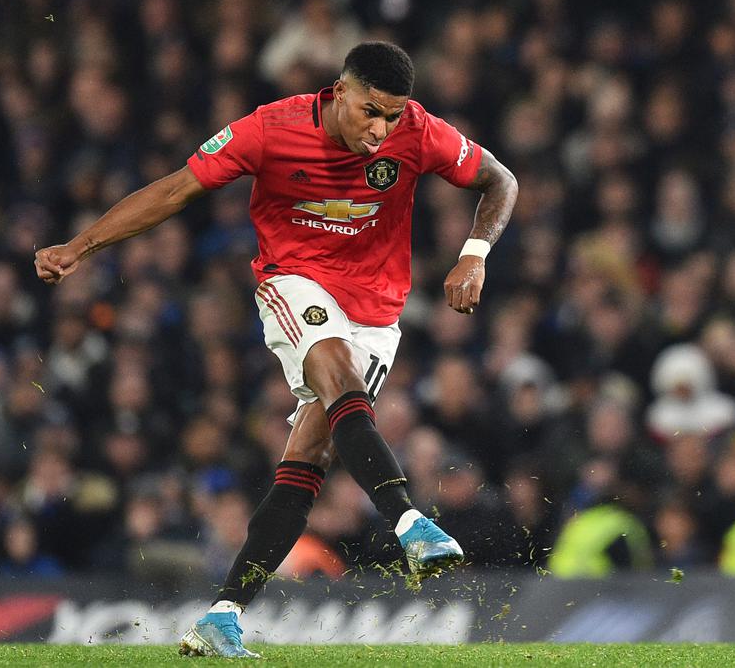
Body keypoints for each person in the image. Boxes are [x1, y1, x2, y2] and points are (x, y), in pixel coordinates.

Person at [33, 42, 518, 658]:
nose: (381, 128)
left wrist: (474, 255)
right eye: (371, 111)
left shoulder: (417, 130)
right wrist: (84, 244)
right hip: (295, 282)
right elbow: (177, 189)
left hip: (377, 309)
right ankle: (409, 522)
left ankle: (223, 615)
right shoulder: (271, 128)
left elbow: (501, 180)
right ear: (340, 91)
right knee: (336, 374)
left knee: (311, 451)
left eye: (392, 116)